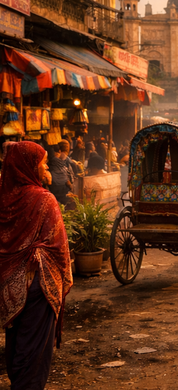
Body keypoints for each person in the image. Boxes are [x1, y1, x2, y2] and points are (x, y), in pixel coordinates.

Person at [0, 141, 73, 390]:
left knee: (16, 339)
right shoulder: (44, 200)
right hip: (37, 284)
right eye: (43, 164)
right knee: (34, 348)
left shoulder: (3, 199)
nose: (46, 169)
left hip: (7, 287)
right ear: (28, 167)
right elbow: (59, 246)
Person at [48, 141, 75, 207]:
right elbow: (64, 175)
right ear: (59, 151)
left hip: (54, 190)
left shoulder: (51, 163)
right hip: (62, 189)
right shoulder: (59, 161)